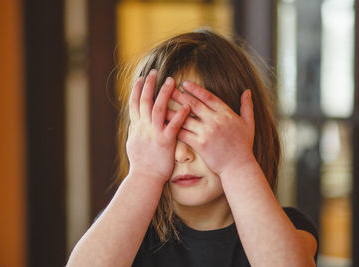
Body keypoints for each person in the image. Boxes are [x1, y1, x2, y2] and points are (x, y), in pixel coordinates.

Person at [66, 29, 318, 267]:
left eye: (198, 131)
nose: (181, 154)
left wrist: (237, 164)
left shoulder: (286, 228)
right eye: (166, 130)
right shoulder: (130, 229)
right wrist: (145, 173)